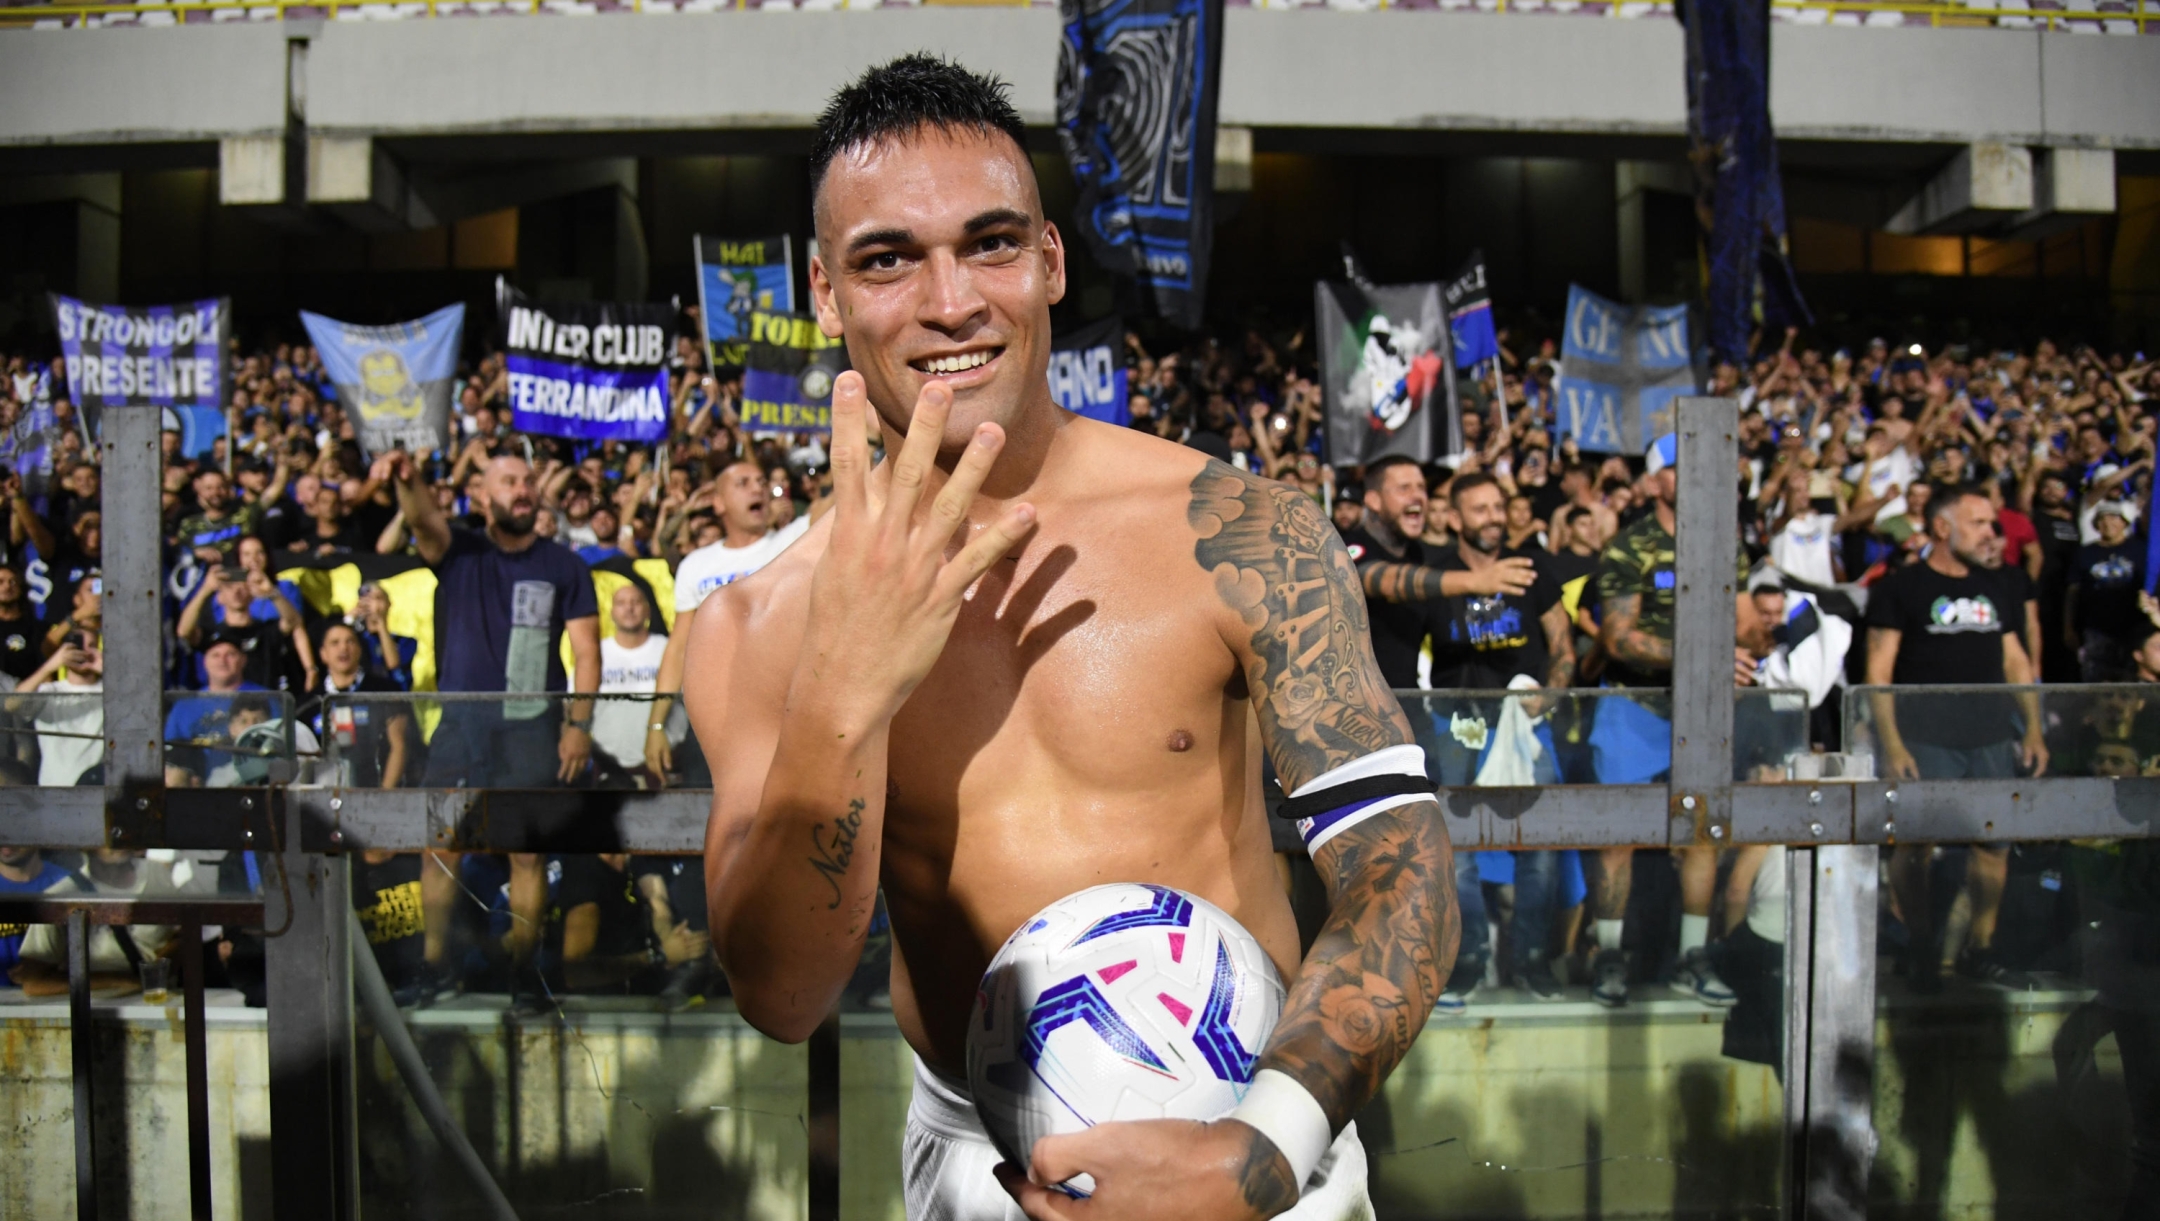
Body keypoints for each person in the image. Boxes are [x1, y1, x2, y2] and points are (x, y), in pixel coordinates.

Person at [691, 58, 1456, 1221]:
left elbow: (1403, 869)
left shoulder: (1240, 533)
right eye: (888, 259)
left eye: (991, 243)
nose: (952, 301)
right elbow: (783, 997)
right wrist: (843, 695)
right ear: (825, 292)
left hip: (1260, 1133)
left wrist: (1260, 1149)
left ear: (1051, 261)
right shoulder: (757, 617)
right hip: (979, 1159)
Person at [376, 447, 599, 1005]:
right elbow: (424, 518)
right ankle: (436, 967)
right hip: (463, 724)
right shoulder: (460, 550)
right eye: (508, 481)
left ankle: (527, 974)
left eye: (528, 480)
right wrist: (408, 478)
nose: (522, 489)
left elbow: (587, 652)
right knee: (441, 846)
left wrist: (579, 724)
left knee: (527, 854)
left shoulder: (565, 564)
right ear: (483, 495)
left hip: (532, 725)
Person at [1589, 433, 1762, 1010]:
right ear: (1657, 480)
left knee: (1703, 834)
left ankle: (1692, 956)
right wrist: (1703, 655)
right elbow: (1618, 638)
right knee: (1616, 837)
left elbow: (1749, 627)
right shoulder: (1629, 547)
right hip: (1633, 709)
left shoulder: (1724, 545)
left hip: (1704, 714)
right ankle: (1609, 955)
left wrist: (1747, 639)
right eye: (1683, 468)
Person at [1865, 485, 2048, 992]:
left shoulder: (2002, 584)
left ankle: (1979, 946)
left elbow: (2015, 659)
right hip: (1925, 737)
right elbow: (1878, 670)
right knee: (1917, 845)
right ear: (1943, 528)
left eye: (1993, 523)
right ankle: (1921, 944)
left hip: (1989, 735)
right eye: (1980, 523)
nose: (1993, 533)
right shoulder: (1900, 588)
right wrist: (1894, 743)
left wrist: (2031, 725)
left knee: (1994, 844)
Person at [1421, 471, 1576, 1008]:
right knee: (1456, 849)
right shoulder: (1436, 575)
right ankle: (1468, 960)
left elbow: (1564, 645)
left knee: (1541, 845)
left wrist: (1549, 695)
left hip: (1526, 727)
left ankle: (1532, 959)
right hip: (1459, 728)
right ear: (1456, 518)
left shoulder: (1534, 569)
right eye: (1478, 509)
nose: (1491, 518)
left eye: (1497, 507)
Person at [643, 458, 810, 782]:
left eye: (761, 481)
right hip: (710, 723)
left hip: (779, 720)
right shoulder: (695, 564)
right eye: (743, 483)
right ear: (718, 503)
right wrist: (656, 725)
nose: (758, 487)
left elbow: (833, 504)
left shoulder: (792, 543)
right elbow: (679, 649)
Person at [593, 583, 680, 785]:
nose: (629, 608)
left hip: (665, 765)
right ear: (611, 612)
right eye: (621, 603)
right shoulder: (596, 654)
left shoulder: (669, 650)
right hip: (609, 768)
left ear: (648, 610)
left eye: (636, 602)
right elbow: (572, 705)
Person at [308, 622, 411, 789]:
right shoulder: (309, 702)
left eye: (350, 641)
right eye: (335, 643)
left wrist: (382, 797)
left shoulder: (385, 690)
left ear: (360, 649)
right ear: (323, 654)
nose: (343, 648)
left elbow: (399, 745)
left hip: (377, 792)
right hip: (324, 797)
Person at [13, 629, 104, 785]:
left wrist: (107, 669)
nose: (84, 651)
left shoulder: (113, 692)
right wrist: (50, 666)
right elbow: (12, 705)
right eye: (77, 645)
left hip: (97, 788)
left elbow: (143, 708)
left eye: (91, 645)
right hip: (54, 791)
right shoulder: (49, 692)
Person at [2068, 499, 2145, 681]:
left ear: (2124, 523)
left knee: (2131, 682)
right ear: (2096, 525)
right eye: (2102, 519)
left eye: (2114, 517)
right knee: (2096, 682)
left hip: (2133, 629)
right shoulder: (2085, 553)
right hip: (2096, 629)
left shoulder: (2140, 550)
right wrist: (2069, 627)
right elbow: (2073, 592)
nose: (2108, 523)